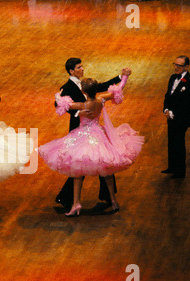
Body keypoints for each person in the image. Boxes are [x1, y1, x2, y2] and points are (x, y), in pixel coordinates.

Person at [39, 75, 144, 216]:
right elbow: (117, 90)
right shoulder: (101, 100)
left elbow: (61, 103)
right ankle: (113, 200)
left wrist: (58, 93)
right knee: (106, 171)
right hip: (99, 135)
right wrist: (124, 78)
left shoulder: (83, 105)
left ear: (84, 91)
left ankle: (76, 204)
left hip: (83, 137)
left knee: (77, 173)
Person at [54, 57, 132, 210]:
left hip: (87, 132)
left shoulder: (84, 93)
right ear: (71, 70)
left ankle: (75, 200)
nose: (82, 69)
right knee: (94, 164)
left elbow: (63, 102)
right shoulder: (70, 87)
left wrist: (119, 76)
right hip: (79, 130)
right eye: (79, 67)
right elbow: (58, 105)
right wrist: (123, 79)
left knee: (90, 165)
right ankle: (72, 198)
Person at [162, 55, 190, 179]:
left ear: (186, 67)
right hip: (170, 116)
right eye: (175, 64)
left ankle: (180, 171)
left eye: (179, 65)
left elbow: (187, 103)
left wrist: (173, 113)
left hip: (181, 118)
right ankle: (172, 166)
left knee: (179, 143)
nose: (176, 67)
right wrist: (166, 110)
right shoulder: (173, 77)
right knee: (171, 141)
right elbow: (168, 95)